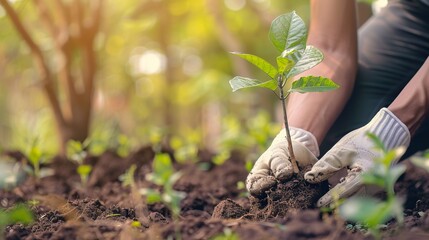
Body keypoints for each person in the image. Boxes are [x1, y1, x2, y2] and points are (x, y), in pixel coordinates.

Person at [246, 0, 429, 207]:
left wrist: (393, 128)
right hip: (417, 13)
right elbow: (329, 46)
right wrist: (299, 135)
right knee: (333, 142)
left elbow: (395, 125)